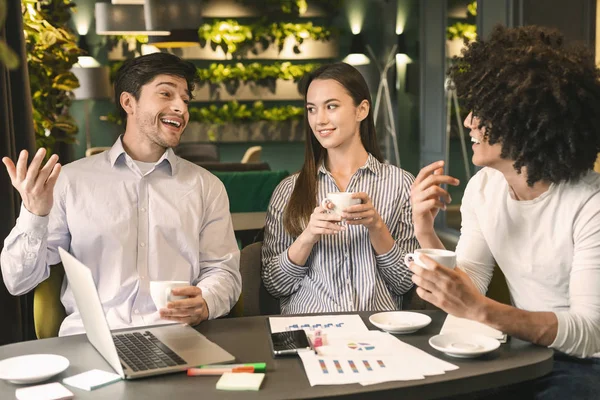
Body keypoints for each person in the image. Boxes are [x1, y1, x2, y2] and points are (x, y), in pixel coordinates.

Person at [410, 25, 600, 398]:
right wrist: (424, 230)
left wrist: (483, 311)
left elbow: (590, 331)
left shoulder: (590, 203)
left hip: (588, 364)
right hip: (526, 351)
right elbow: (470, 284)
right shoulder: (484, 187)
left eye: (482, 111)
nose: (468, 122)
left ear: (524, 119)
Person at [1, 53, 241, 336]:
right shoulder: (70, 181)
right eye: (166, 93)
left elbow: (223, 272)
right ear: (129, 102)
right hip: (91, 341)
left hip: (176, 338)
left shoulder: (206, 186)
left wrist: (205, 302)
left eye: (186, 100)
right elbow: (18, 281)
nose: (180, 107)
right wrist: (34, 215)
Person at [261, 62, 419, 314]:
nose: (319, 120)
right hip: (310, 328)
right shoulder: (289, 190)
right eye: (312, 109)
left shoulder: (401, 185)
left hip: (377, 329)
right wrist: (308, 236)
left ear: (362, 110)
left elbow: (404, 284)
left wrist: (377, 228)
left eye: (331, 106)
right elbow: (274, 285)